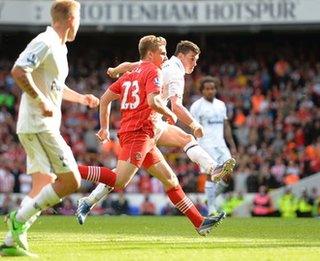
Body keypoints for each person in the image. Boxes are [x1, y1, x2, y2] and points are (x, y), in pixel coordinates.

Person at [76, 35, 225, 236]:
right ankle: (71, 170)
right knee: (120, 180)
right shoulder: (154, 71)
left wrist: (104, 127)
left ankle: (200, 222)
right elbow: (154, 101)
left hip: (145, 130)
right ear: (151, 54)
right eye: (163, 53)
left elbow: (105, 98)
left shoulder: (131, 73)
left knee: (171, 179)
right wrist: (170, 113)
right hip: (139, 132)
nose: (165, 56)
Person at [0, 0, 99, 257]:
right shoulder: (45, 41)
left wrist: (81, 98)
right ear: (69, 20)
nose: (79, 24)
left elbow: (56, 87)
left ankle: (12, 241)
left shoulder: (60, 49)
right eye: (78, 19)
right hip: (38, 124)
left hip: (39, 124)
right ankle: (16, 219)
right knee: (71, 179)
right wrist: (40, 100)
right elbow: (20, 70)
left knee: (42, 185)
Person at [190, 76, 238, 215]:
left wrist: (232, 145)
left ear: (216, 89)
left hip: (221, 144)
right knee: (211, 174)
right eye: (207, 89)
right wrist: (196, 147)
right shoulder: (197, 106)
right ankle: (211, 208)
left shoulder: (221, 105)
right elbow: (193, 127)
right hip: (206, 145)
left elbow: (226, 125)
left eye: (213, 88)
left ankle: (210, 198)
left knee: (228, 173)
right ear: (202, 90)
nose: (210, 91)